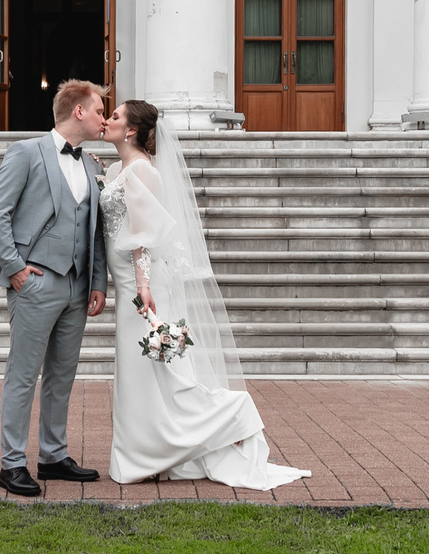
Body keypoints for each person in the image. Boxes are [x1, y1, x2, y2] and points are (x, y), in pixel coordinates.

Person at [94, 98, 309, 491]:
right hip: (126, 281)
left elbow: (142, 236)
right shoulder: (117, 169)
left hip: (141, 286)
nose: (107, 120)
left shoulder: (142, 170)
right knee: (140, 373)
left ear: (131, 130)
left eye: (115, 116)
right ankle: (150, 450)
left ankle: (232, 414)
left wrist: (143, 287)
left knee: (157, 368)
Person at [0, 77, 110, 498]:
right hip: (35, 282)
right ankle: (12, 463)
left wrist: (97, 281)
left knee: (62, 375)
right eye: (99, 110)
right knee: (23, 374)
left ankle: (53, 456)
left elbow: (96, 230)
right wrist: (15, 269)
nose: (104, 118)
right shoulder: (26, 152)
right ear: (79, 111)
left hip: (77, 287)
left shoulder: (93, 165)